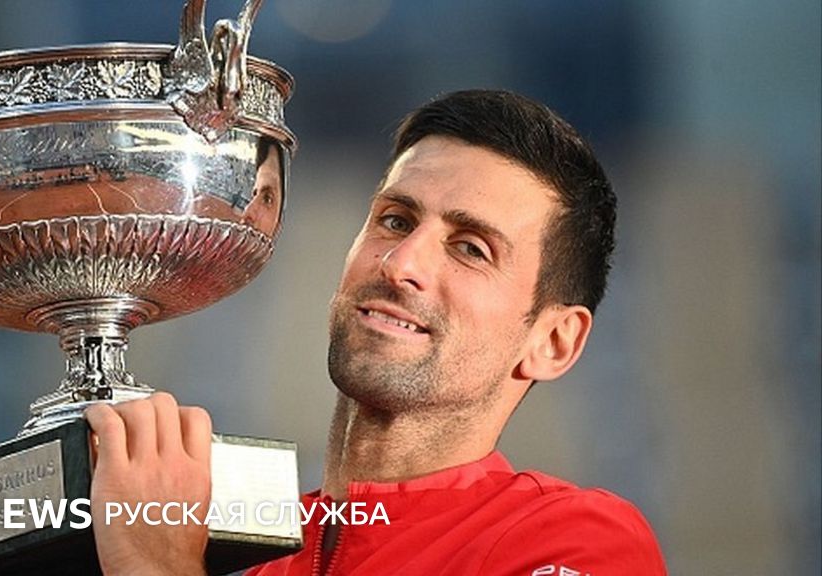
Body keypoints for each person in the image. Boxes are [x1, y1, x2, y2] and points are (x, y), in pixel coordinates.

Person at [84, 89, 668, 575]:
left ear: (553, 342)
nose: (400, 262)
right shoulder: (246, 558)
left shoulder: (575, 539)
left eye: (471, 249)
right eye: (395, 220)